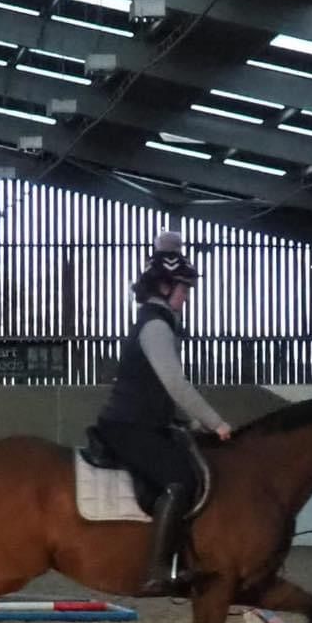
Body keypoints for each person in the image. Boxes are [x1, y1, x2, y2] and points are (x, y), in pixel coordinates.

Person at [92, 230, 232, 595]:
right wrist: (215, 423)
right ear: (165, 288)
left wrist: (190, 423)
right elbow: (176, 384)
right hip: (128, 426)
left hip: (147, 423)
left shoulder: (159, 322)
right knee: (179, 480)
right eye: (183, 289)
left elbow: (161, 394)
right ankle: (158, 570)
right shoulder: (155, 326)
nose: (187, 298)